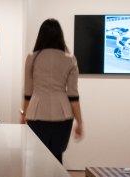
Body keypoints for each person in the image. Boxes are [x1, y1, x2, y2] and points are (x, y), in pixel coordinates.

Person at [21, 19, 83, 163]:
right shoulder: (70, 59)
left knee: (38, 159)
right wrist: (80, 122)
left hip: (36, 113)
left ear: (40, 36)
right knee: (57, 157)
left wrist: (23, 114)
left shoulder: (32, 57)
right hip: (63, 114)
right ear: (60, 36)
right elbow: (73, 95)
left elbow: (28, 92)